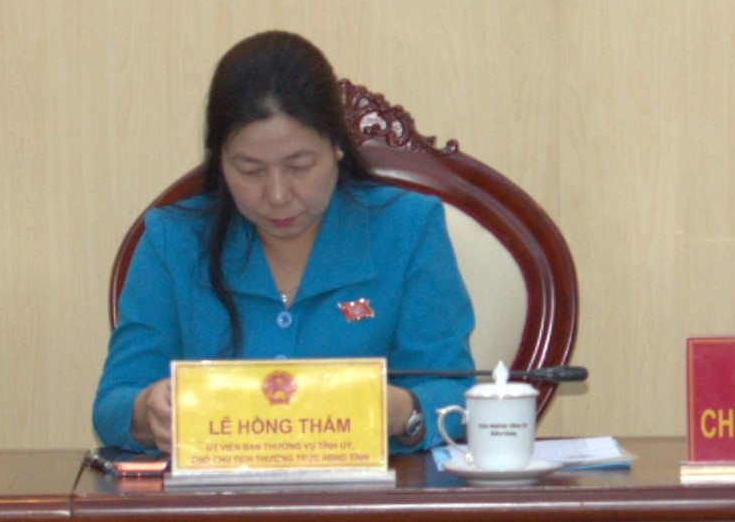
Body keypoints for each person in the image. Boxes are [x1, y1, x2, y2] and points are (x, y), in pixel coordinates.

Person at [93, 31, 476, 452]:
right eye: (250, 170)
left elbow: (456, 393)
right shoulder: (173, 241)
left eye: (299, 166)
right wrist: (147, 410)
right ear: (219, 161)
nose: (277, 195)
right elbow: (113, 404)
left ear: (336, 145)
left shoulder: (408, 228)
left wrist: (403, 412)